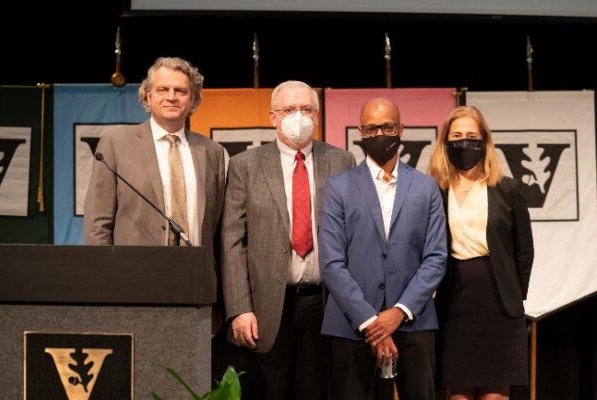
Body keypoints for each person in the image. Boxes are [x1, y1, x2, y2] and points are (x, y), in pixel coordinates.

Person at [221, 80, 356, 399]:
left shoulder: (342, 161)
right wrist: (239, 308)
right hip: (265, 306)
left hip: (325, 303)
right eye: (289, 110)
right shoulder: (245, 165)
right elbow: (232, 240)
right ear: (272, 117)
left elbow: (354, 234)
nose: (299, 116)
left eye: (306, 109)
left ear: (318, 116)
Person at [319, 97, 447, 400]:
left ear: (401, 128)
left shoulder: (426, 187)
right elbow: (331, 263)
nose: (380, 135)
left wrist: (398, 313)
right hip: (352, 325)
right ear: (361, 134)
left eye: (387, 127)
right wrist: (371, 322)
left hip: (413, 323)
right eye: (372, 129)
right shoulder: (339, 187)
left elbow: (436, 257)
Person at [428, 106, 534, 400]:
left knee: (495, 395)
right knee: (458, 395)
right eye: (457, 135)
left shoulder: (507, 189)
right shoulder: (435, 190)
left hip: (499, 306)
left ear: (485, 141)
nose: (464, 142)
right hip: (453, 304)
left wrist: (514, 294)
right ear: (445, 142)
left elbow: (524, 251)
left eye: (472, 136)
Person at [84, 55, 225, 250]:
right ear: (148, 96)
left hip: (195, 273)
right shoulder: (116, 144)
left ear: (192, 99)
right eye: (162, 89)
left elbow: (218, 225)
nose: (171, 97)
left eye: (180, 91)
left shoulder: (212, 152)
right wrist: (107, 274)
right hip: (135, 272)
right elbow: (97, 223)